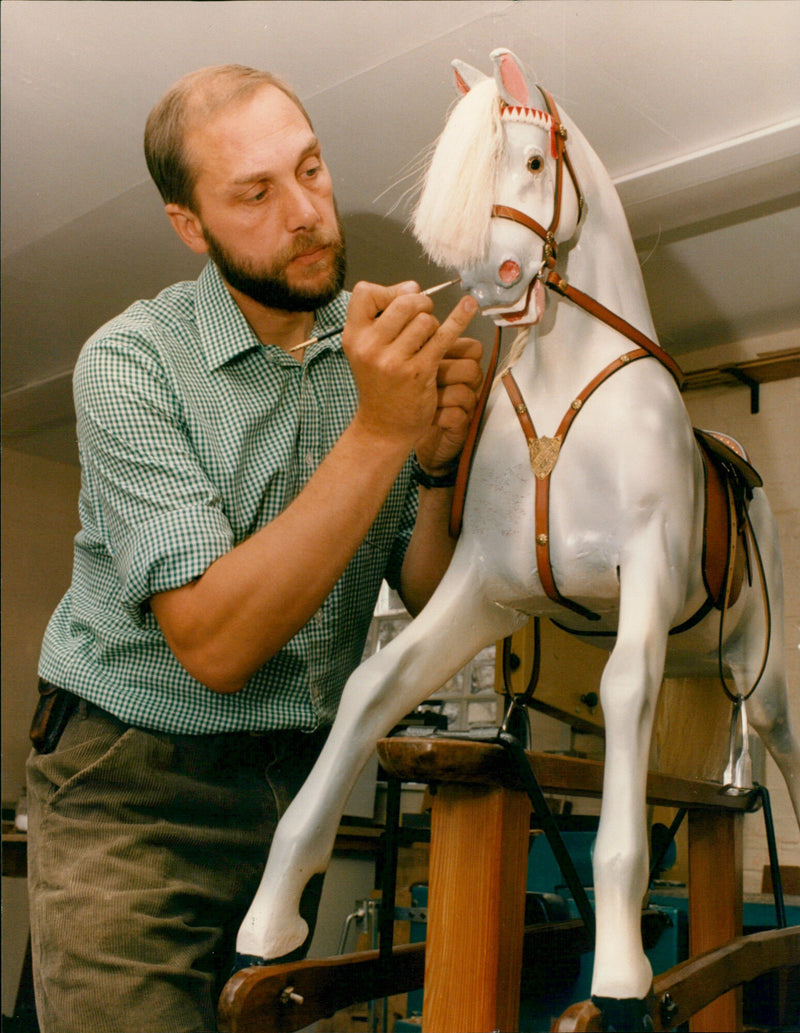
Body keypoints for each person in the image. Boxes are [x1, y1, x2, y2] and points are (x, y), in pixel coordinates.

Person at [26, 65, 483, 1033]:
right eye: (254, 193)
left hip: (297, 786)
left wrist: (437, 468)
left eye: (310, 170)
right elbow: (218, 645)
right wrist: (382, 431)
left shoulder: (370, 350)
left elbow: (429, 591)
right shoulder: (130, 362)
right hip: (131, 789)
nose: (306, 213)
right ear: (190, 224)